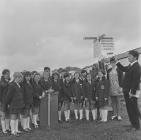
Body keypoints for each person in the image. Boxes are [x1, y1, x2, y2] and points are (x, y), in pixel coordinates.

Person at [116, 50, 141, 131]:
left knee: (133, 109)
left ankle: (136, 126)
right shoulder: (131, 65)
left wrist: (132, 92)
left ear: (135, 57)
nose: (128, 57)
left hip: (131, 92)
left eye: (129, 56)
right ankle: (132, 123)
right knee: (129, 108)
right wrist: (117, 62)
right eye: (128, 56)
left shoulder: (137, 66)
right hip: (127, 91)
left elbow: (136, 81)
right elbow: (123, 69)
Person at [0, 69, 11, 134]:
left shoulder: (8, 82)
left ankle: (7, 128)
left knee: (8, 115)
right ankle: (3, 129)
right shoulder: (1, 83)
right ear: (3, 75)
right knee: (3, 115)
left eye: (9, 73)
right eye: (7, 73)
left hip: (8, 102)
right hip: (2, 102)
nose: (8, 75)